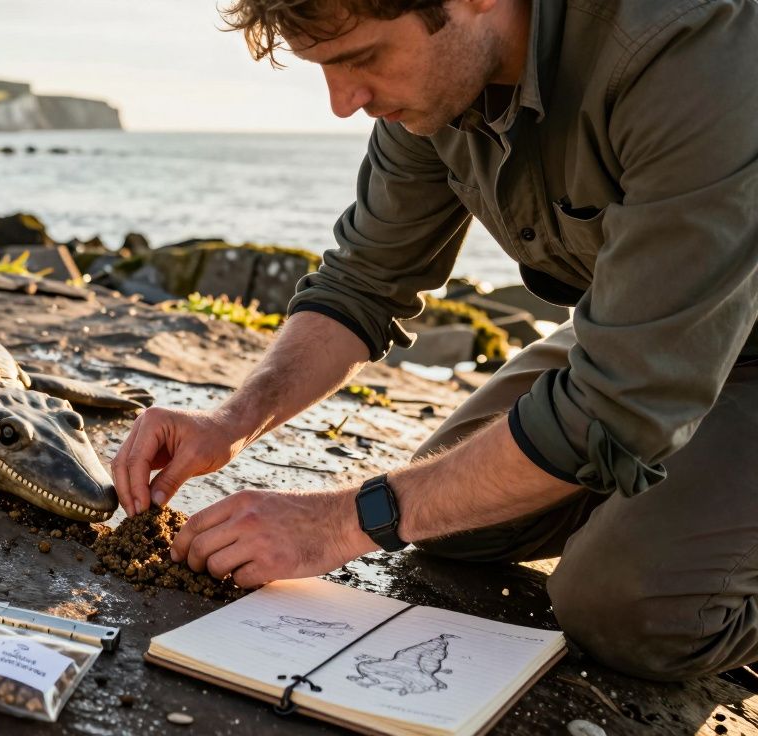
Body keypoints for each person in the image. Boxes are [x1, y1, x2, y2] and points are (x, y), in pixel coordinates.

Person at [110, 0, 758, 682]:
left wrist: (334, 524)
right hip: (649, 330)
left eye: (361, 59)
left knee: (627, 608)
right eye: (326, 68)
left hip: (721, 344)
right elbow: (363, 282)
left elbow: (619, 404)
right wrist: (230, 421)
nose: (343, 102)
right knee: (458, 519)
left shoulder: (689, 47)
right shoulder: (438, 83)